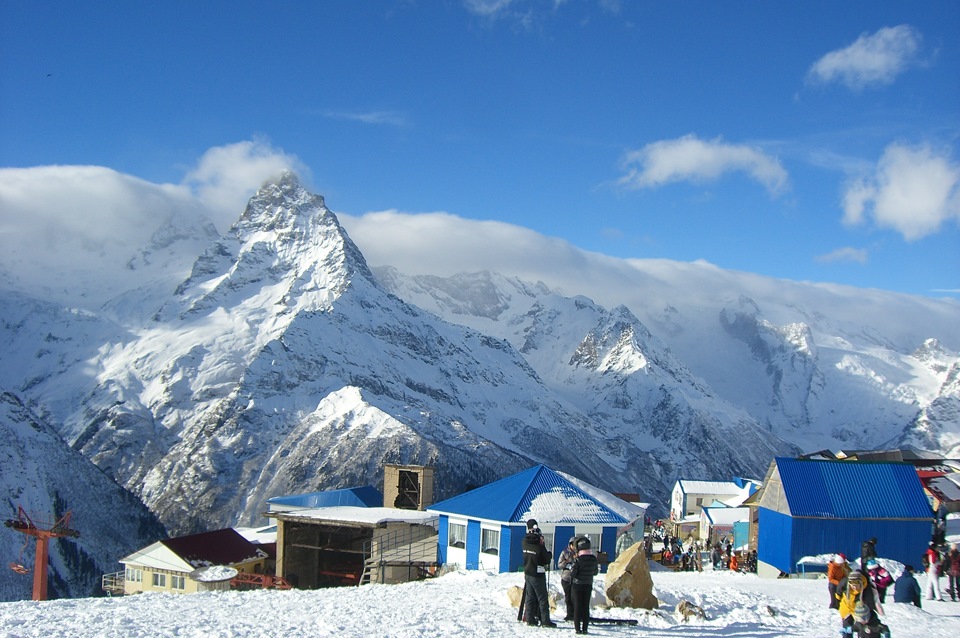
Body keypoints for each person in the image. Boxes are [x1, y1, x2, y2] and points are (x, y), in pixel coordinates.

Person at [522, 519, 556, 627]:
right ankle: (545, 621)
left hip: (527, 572)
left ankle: (530, 619)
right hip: (538, 574)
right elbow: (546, 559)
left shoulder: (524, 541)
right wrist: (547, 551)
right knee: (542, 598)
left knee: (530, 597)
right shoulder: (539, 544)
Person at [837, 570, 885, 638]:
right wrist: (837, 598)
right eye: (852, 586)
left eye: (856, 585)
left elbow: (871, 602)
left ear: (861, 583)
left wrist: (868, 613)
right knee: (847, 623)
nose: (854, 587)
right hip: (847, 607)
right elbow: (838, 590)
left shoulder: (867, 588)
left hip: (860, 609)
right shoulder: (845, 582)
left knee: (862, 625)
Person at [569, 537, 599, 635]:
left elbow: (573, 573)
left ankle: (577, 629)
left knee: (577, 607)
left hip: (577, 585)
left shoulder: (577, 560)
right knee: (585, 607)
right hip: (588, 584)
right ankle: (585, 629)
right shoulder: (593, 559)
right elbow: (595, 572)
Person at [557, 537, 578, 621]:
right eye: (574, 545)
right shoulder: (565, 552)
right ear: (570, 545)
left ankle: (575, 614)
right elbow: (559, 565)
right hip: (566, 578)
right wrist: (566, 562)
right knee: (568, 597)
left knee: (575, 597)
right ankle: (569, 614)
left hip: (575, 578)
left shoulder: (579, 553)